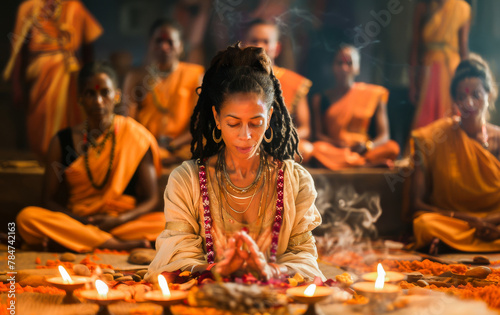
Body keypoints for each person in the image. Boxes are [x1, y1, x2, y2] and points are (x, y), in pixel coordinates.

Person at [147, 44, 325, 281]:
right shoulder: (187, 180)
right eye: (233, 123)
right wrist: (214, 271)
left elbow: (305, 258)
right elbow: (175, 256)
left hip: (275, 297)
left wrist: (273, 270)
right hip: (207, 297)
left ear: (270, 118)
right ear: (217, 119)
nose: (245, 135)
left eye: (255, 123)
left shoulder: (296, 181)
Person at [16, 62, 165, 253]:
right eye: (90, 94)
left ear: (117, 96)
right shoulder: (62, 141)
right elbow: (48, 200)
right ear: (80, 98)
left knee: (169, 224)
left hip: (122, 222)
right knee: (26, 218)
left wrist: (119, 219)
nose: (98, 101)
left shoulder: (137, 136)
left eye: (105, 93)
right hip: (78, 221)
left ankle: (73, 243)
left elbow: (152, 198)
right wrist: (83, 221)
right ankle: (116, 245)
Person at [410, 55, 500, 253]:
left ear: (489, 95)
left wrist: (488, 223)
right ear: (455, 100)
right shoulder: (435, 138)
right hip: (453, 221)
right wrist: (470, 220)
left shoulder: (498, 140)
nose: (469, 103)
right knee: (424, 224)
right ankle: (458, 240)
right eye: (461, 97)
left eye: (476, 94)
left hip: (494, 222)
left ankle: (450, 243)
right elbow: (417, 204)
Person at [5, 0, 103, 161]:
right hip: (38, 76)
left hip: (71, 75)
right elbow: (19, 50)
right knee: (39, 123)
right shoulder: (29, 8)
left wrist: (89, 79)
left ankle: (67, 160)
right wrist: (16, 84)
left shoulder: (75, 7)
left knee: (73, 121)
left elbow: (87, 49)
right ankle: (44, 159)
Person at [123, 19, 204, 165]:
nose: (164, 46)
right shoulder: (136, 77)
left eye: (170, 42)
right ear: (150, 44)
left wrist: (172, 145)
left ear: (180, 46)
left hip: (183, 148)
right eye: (158, 41)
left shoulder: (195, 75)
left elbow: (200, 124)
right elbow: (129, 122)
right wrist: (149, 145)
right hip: (145, 148)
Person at [306, 45, 399, 170]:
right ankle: (365, 165)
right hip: (336, 149)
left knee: (392, 147)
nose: (344, 68)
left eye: (349, 63)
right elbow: (317, 135)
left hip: (363, 150)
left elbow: (384, 136)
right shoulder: (320, 98)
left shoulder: (374, 94)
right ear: (333, 66)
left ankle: (354, 162)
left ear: (357, 68)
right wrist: (337, 144)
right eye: (339, 63)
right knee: (317, 149)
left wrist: (368, 146)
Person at [244, 19, 312, 150]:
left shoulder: (294, 82)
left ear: (277, 48)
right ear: (244, 45)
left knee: (306, 149)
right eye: (254, 40)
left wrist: (279, 137)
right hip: (244, 142)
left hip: (279, 144)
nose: (259, 46)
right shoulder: (233, 80)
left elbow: (305, 129)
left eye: (266, 41)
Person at [409, 0, 470, 129]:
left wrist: (467, 79)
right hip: (428, 71)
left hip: (452, 70)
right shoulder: (423, 7)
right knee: (426, 117)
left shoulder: (462, 8)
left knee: (450, 114)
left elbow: (463, 47)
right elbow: (415, 46)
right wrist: (412, 83)